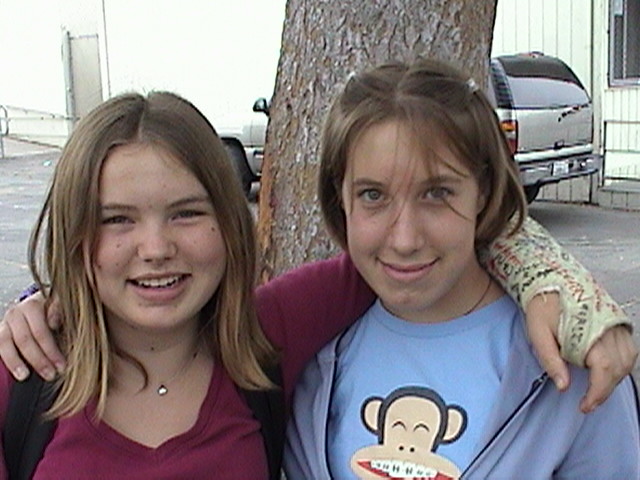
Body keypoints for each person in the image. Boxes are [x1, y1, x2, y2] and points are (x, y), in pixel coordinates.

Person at [0, 91, 635, 478]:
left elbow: (425, 246)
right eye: (116, 220)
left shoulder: (269, 333)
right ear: (77, 236)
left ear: (230, 223)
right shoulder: (22, 377)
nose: (156, 247)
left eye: (187, 213)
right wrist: (44, 299)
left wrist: (564, 292)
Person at [284, 59, 640, 479]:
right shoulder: (312, 353)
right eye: (373, 195)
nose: (405, 239)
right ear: (339, 198)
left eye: (437, 193)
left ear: (483, 191)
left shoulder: (574, 367)